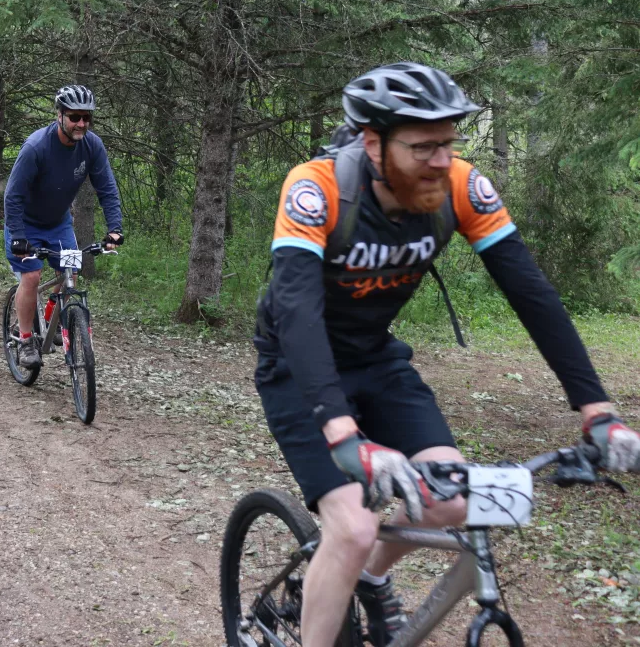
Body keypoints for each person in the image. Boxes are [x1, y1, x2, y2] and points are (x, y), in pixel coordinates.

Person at [254, 61, 640, 647]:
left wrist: (596, 409)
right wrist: (343, 435)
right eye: (424, 147)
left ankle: (373, 581)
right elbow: (297, 314)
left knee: (450, 502)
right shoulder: (317, 187)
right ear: (372, 143)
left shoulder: (459, 185)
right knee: (355, 527)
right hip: (297, 367)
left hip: (378, 361)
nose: (442, 160)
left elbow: (531, 294)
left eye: (449, 142)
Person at [3, 85, 124, 370]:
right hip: (25, 224)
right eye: (74, 117)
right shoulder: (37, 147)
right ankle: (26, 339)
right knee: (31, 276)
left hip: (58, 224)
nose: (81, 123)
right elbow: (13, 196)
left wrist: (114, 229)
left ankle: (52, 317)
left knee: (70, 274)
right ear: (60, 115)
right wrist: (19, 238)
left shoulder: (92, 146)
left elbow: (106, 188)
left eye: (86, 117)